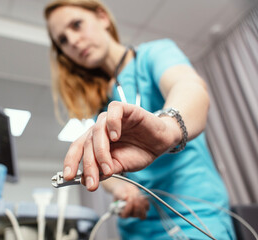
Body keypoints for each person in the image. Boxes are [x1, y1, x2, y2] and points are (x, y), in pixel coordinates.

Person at [44, 0, 235, 239]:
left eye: (76, 25)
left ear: (102, 17)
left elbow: (189, 87)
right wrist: (121, 187)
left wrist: (167, 128)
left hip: (194, 217)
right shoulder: (101, 105)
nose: (72, 41)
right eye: (62, 40)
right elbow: (109, 170)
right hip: (137, 227)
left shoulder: (154, 54)